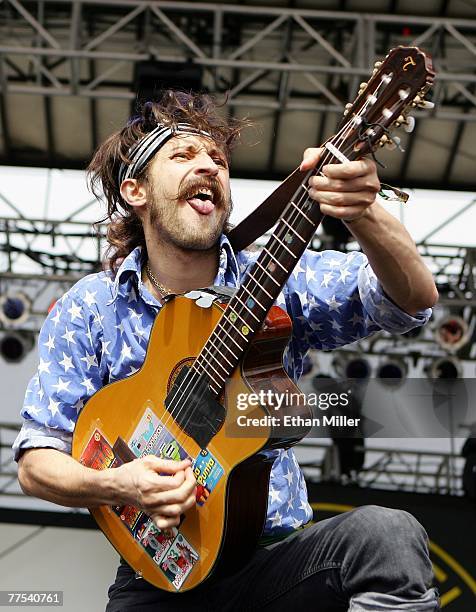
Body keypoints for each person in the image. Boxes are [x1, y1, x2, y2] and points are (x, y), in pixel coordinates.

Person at [13, 90, 439, 611]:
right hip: (160, 577)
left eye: (217, 158)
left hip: (279, 562)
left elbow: (409, 301)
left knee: (387, 536)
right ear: (135, 191)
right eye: (182, 155)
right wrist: (120, 483)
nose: (209, 165)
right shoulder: (90, 308)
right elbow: (37, 462)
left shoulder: (276, 278)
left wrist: (364, 211)